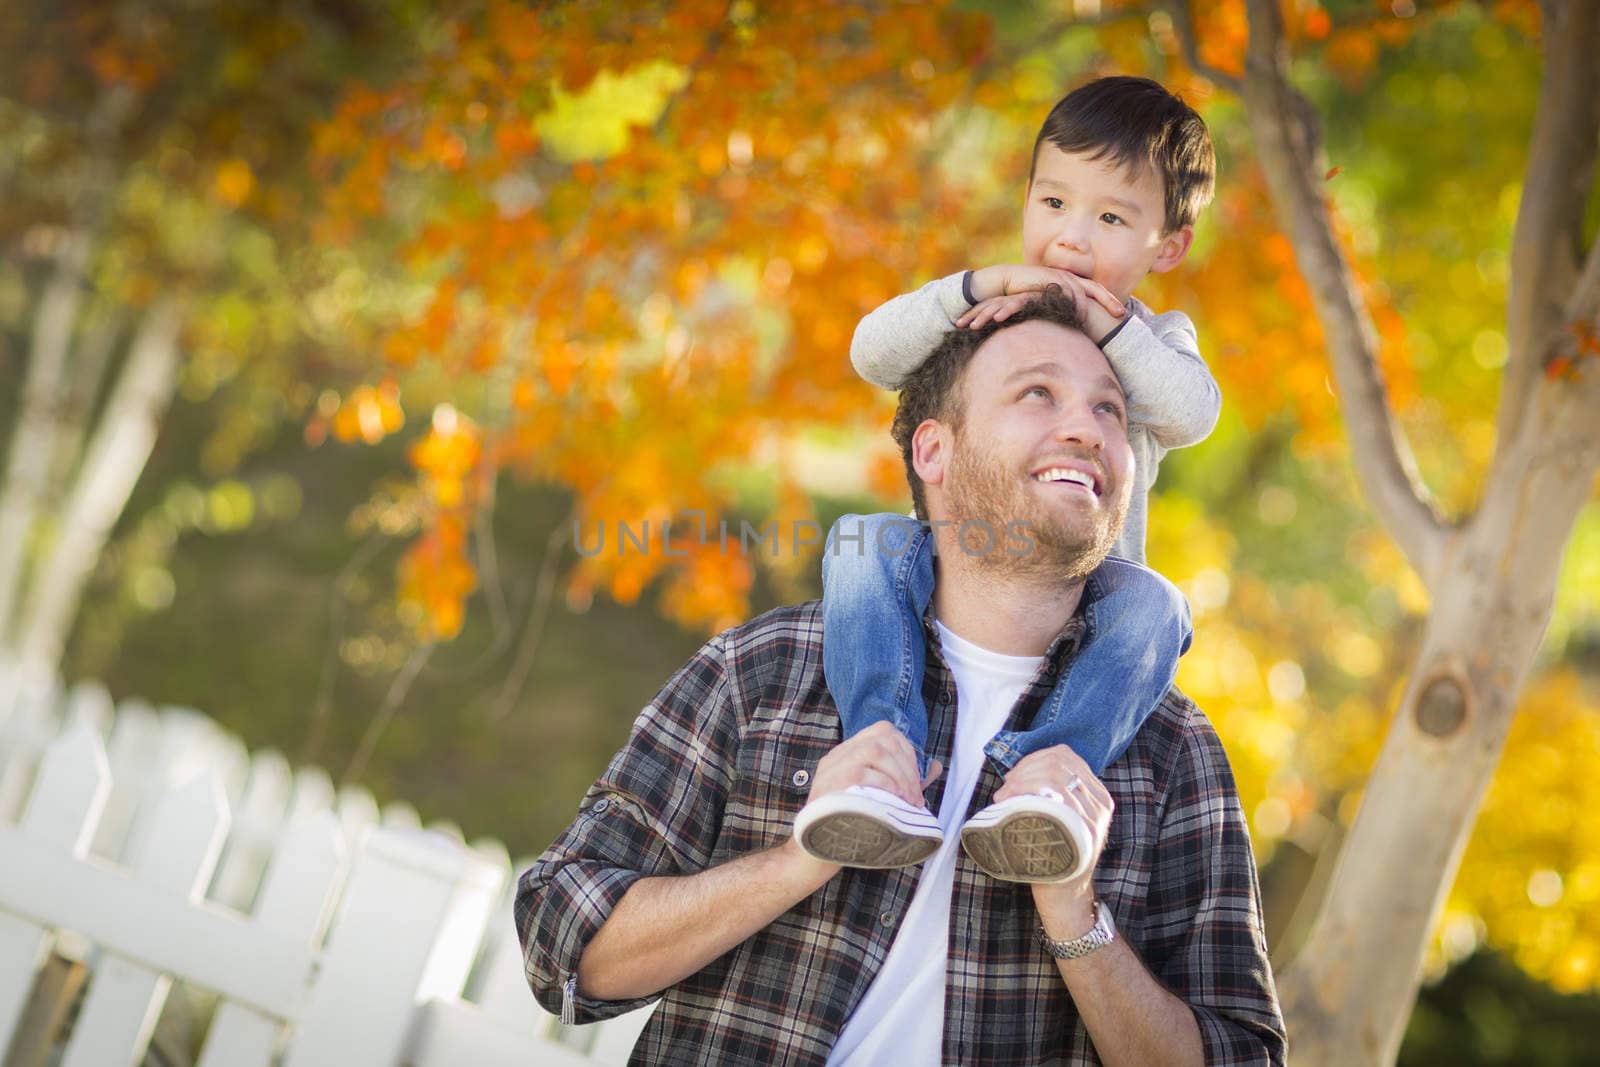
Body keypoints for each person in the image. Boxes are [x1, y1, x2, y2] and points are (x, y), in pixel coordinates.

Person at [516, 289, 1285, 1065]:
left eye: (1112, 411)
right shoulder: (768, 668)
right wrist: (800, 858)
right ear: (933, 452)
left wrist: (1075, 912)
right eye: (1037, 393)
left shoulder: (1171, 751)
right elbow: (562, 944)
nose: (1086, 428)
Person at [795, 76, 1220, 876]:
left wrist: (1106, 324)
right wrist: (978, 288)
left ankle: (1043, 782)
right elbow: (871, 354)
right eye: (1054, 204)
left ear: (1167, 246)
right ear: (1026, 199)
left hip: (1090, 586)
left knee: (1159, 605)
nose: (1072, 239)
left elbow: (1192, 410)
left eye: (1112, 217)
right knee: (862, 542)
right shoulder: (993, 304)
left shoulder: (1156, 339)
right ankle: (885, 751)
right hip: (967, 552)